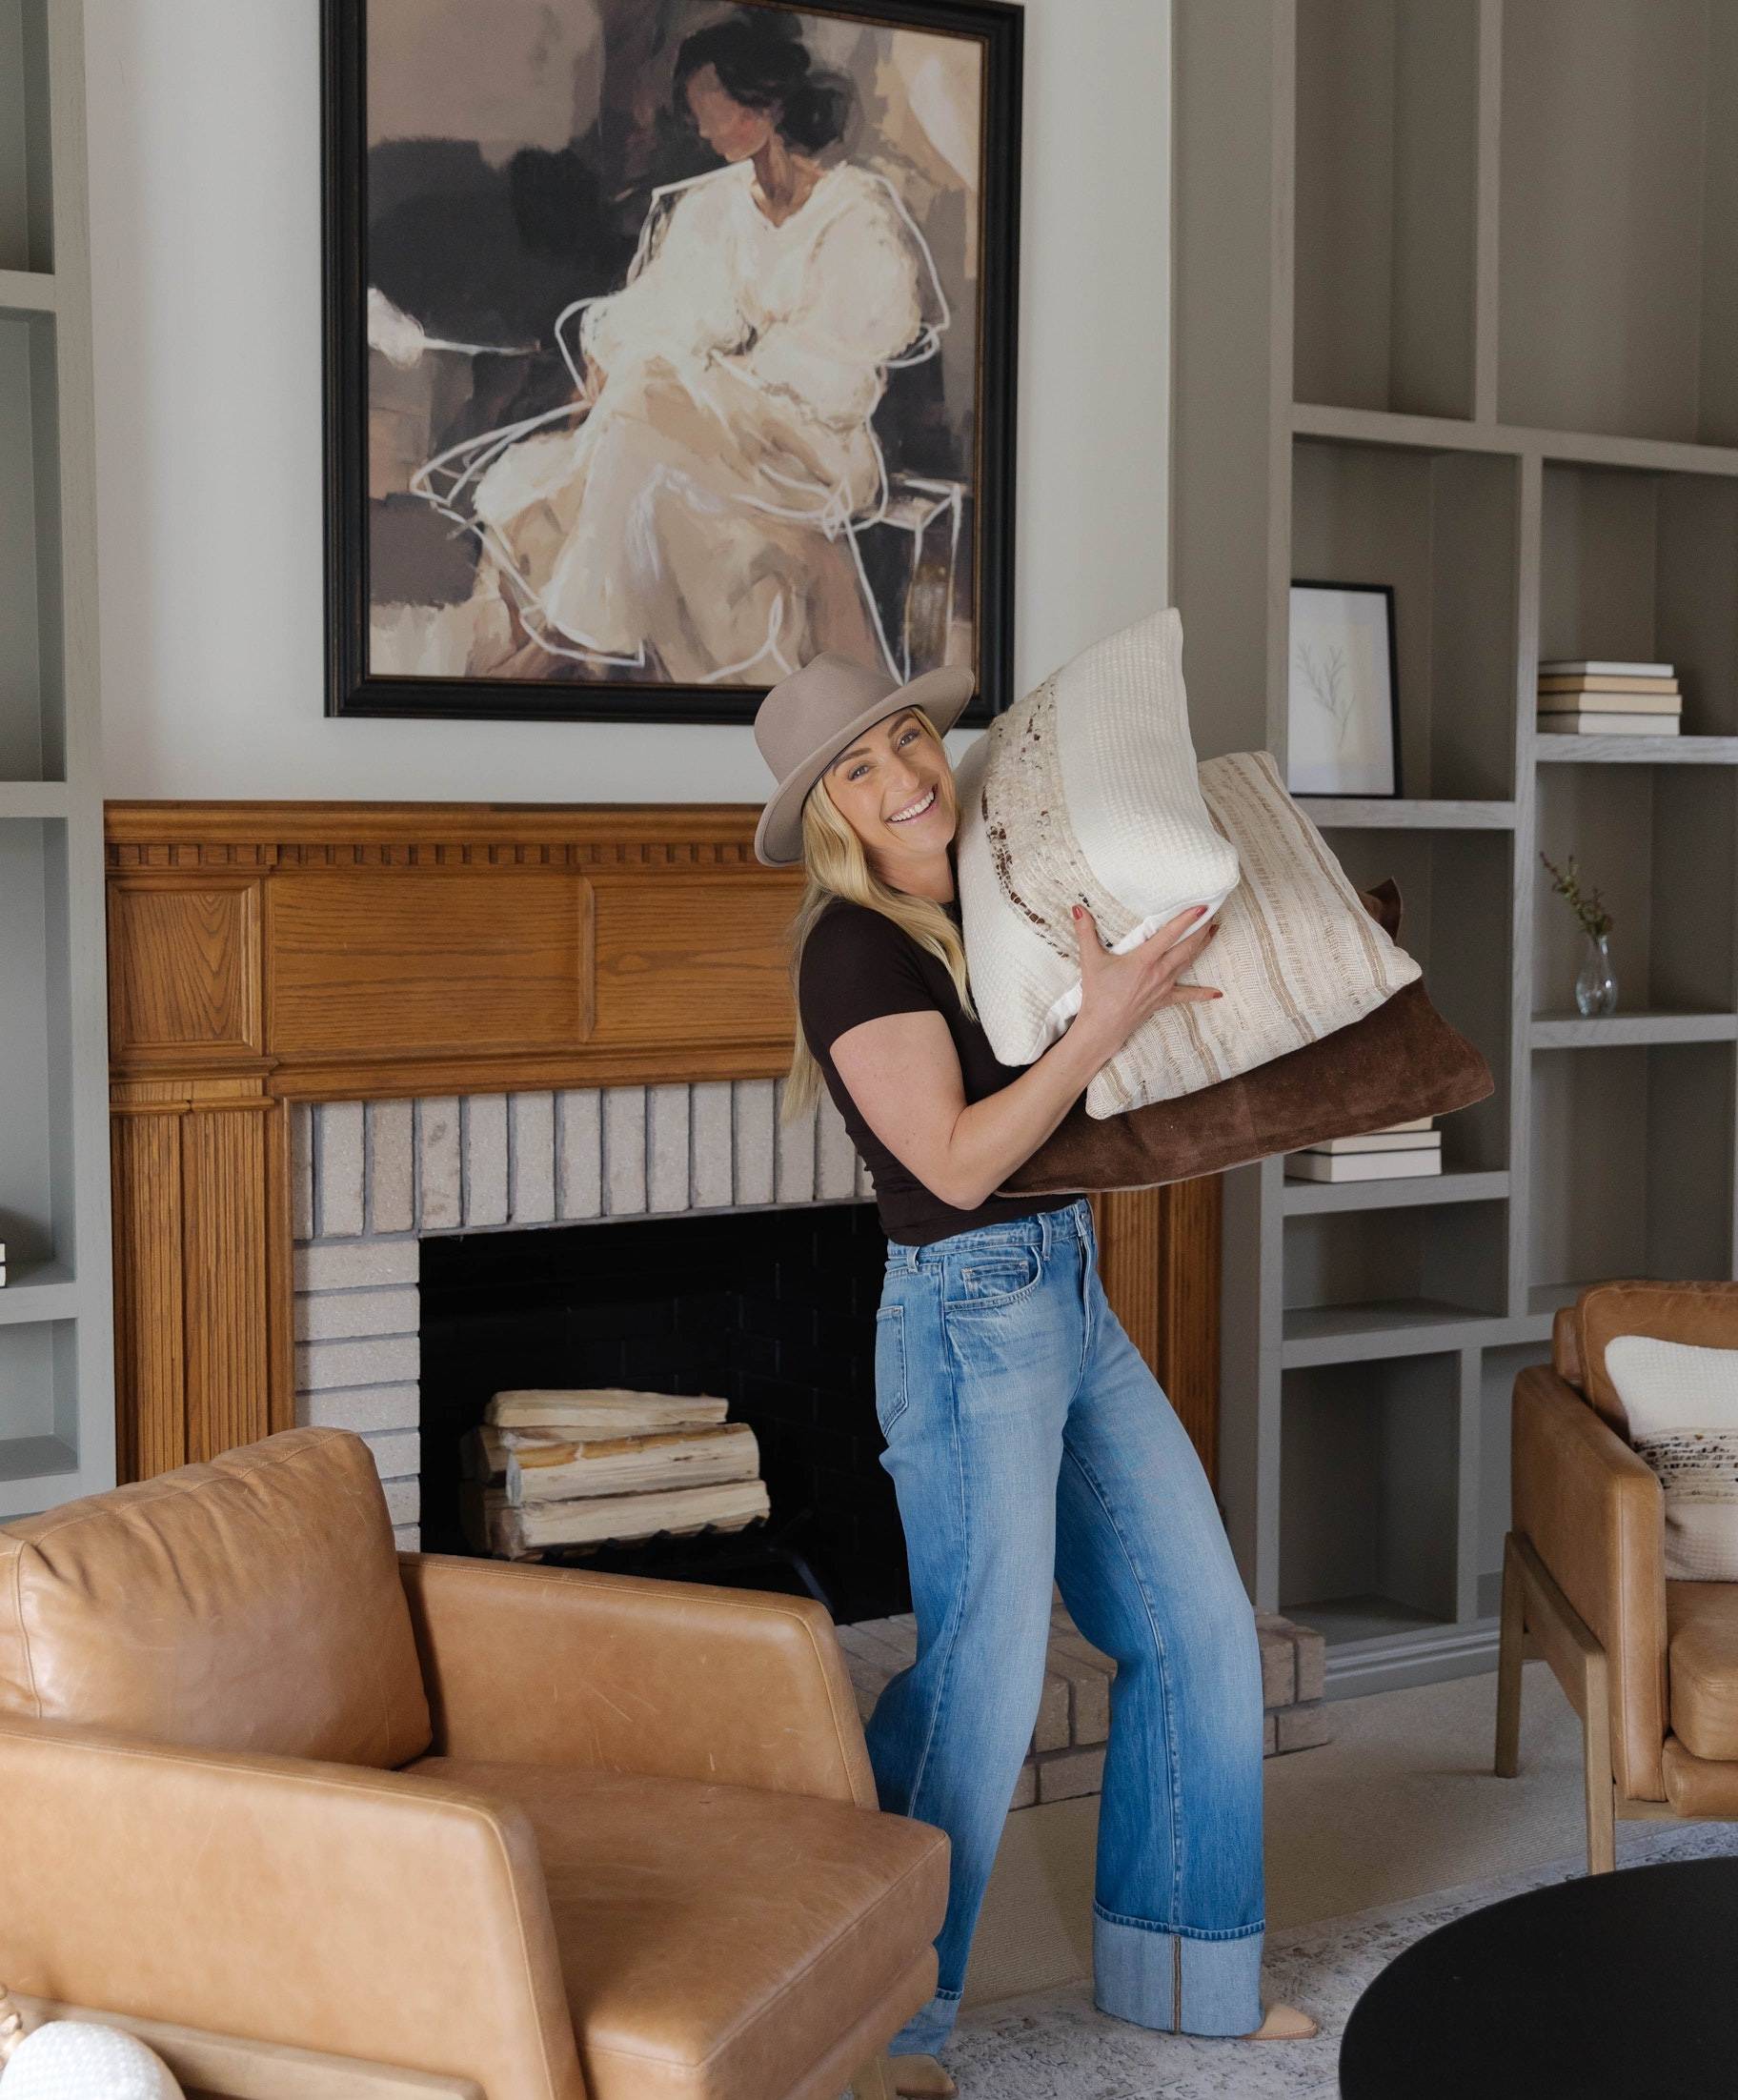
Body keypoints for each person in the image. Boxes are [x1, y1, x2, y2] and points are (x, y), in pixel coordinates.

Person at [752, 654, 1318, 2098]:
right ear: (828, 813)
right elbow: (952, 1164)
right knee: (981, 1686)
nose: (904, 777)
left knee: (1198, 1622)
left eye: (906, 739)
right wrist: (1099, 1028)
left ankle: (1186, 1978)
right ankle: (876, 2024)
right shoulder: (852, 948)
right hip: (963, 1316)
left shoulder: (985, 893)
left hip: (1065, 1283)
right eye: (860, 769)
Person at [416, 10, 948, 686]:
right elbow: (661, 315)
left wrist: (717, 378)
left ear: (766, 102)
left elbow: (841, 367)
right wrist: (663, 367)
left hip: (808, 442)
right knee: (601, 439)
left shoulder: (856, 210)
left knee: (646, 397)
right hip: (699, 432)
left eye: (716, 105)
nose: (705, 127)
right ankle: (570, 635)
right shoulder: (713, 204)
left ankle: (563, 641)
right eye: (699, 111)